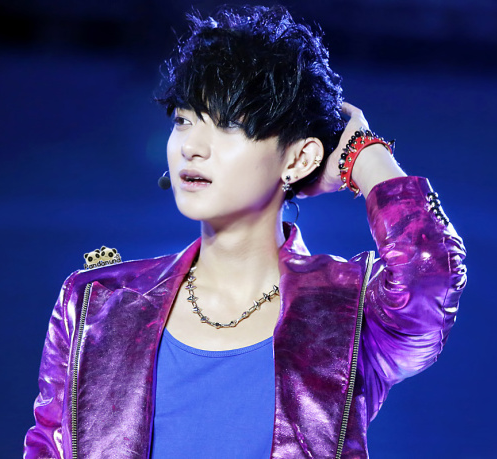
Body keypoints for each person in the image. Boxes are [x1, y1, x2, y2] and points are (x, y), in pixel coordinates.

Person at [24, 5, 466, 459]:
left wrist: (364, 154)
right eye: (183, 120)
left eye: (229, 123)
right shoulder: (97, 306)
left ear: (299, 159)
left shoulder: (350, 313)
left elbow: (429, 277)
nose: (191, 147)